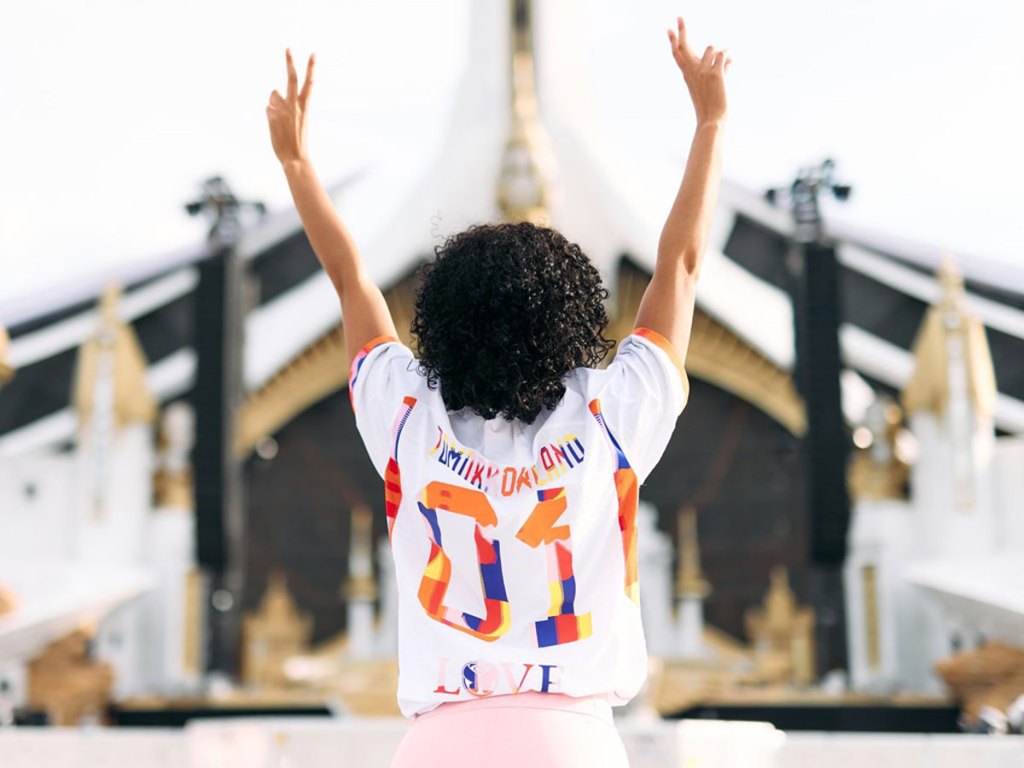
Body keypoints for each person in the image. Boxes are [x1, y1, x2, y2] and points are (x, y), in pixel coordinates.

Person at [266, 15, 730, 768]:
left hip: (441, 739)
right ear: (572, 315)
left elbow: (353, 280)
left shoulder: (409, 417)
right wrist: (710, 122)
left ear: (443, 318)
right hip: (570, 737)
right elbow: (678, 267)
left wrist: (296, 164)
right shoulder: (610, 416)